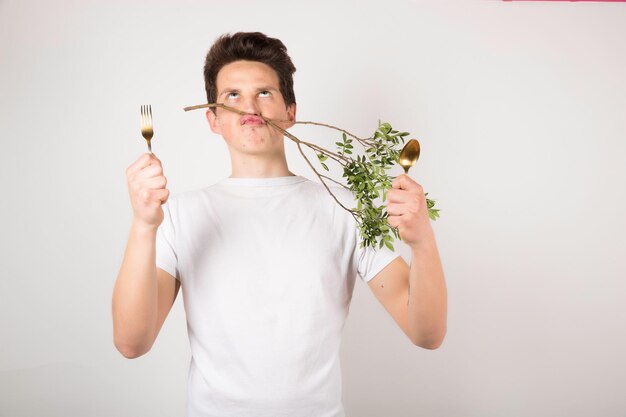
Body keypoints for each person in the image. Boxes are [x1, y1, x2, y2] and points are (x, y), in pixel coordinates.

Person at [112, 32, 447, 417]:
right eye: (232, 95)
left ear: (290, 111)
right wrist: (142, 226)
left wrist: (423, 242)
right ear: (213, 119)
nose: (249, 105)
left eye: (265, 93)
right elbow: (131, 343)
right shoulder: (177, 214)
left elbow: (427, 333)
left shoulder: (344, 208)